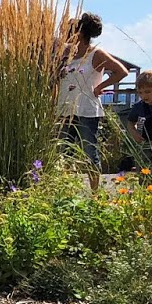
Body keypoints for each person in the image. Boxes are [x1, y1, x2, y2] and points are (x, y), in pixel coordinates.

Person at [56, 12, 129, 179]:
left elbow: (121, 71)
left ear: (80, 33)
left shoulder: (96, 53)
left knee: (89, 153)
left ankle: (95, 192)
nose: (65, 36)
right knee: (63, 154)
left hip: (87, 111)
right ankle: (66, 188)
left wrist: (100, 87)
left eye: (68, 32)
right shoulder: (66, 54)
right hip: (65, 110)